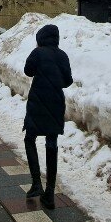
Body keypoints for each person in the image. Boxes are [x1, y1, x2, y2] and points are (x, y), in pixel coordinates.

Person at [23, 23, 73, 210]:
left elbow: (28, 71)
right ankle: (50, 193)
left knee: (30, 138)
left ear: (41, 39)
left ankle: (36, 183)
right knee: (51, 143)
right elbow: (67, 81)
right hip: (56, 103)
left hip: (37, 101)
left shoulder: (38, 52)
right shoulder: (63, 55)